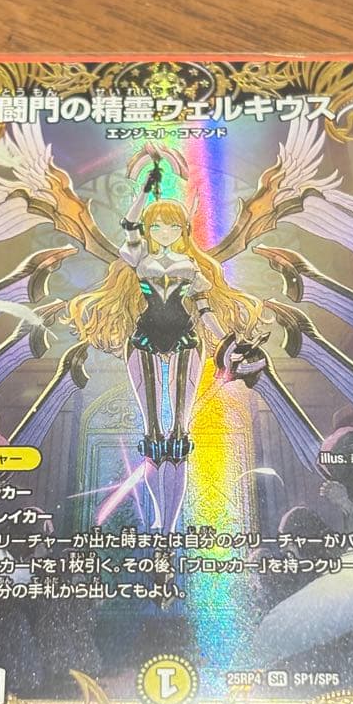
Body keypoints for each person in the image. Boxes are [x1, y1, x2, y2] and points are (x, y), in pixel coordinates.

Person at [68, 160, 261, 531]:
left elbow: (204, 310)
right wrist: (144, 191)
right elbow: (129, 226)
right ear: (149, 229)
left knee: (179, 435)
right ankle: (161, 520)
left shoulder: (191, 266)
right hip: (143, 342)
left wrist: (230, 342)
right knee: (154, 433)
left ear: (183, 229)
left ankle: (169, 525)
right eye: (157, 225)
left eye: (172, 225)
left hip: (186, 342)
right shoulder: (140, 258)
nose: (164, 231)